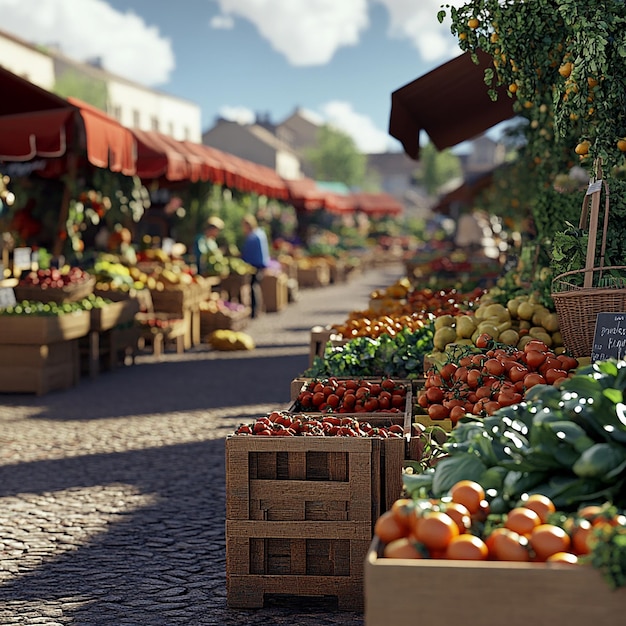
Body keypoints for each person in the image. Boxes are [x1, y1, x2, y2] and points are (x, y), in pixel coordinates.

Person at [240, 214, 270, 318]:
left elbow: (248, 253)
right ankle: (257, 309)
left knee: (253, 286)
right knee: (256, 286)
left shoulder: (253, 236)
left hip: (255, 264)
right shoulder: (260, 233)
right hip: (260, 263)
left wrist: (242, 261)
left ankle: (254, 310)